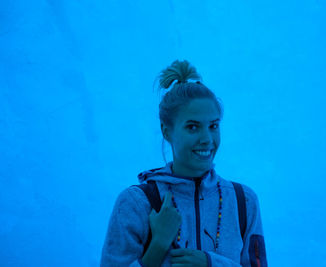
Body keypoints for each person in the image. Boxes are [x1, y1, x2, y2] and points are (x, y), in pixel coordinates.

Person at [100, 60, 268, 266]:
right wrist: (158, 244)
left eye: (213, 126)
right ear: (166, 131)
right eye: (193, 127)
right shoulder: (136, 203)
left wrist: (210, 263)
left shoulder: (244, 201)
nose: (207, 138)